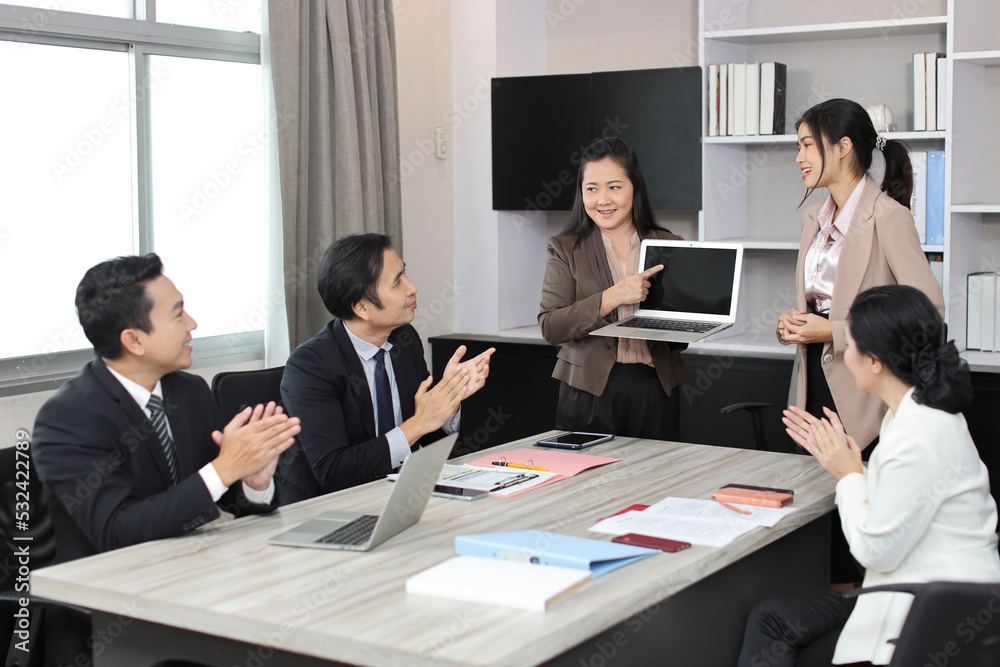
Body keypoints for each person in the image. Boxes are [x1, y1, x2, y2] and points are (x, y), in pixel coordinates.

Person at [31, 254, 300, 665]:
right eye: (178, 314)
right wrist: (225, 468)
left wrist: (253, 482)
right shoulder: (68, 418)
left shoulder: (188, 392)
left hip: (195, 587)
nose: (193, 324)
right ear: (134, 340)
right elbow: (116, 533)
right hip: (108, 623)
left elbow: (220, 501)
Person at [738, 285, 1000, 667]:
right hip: (931, 590)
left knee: (776, 626)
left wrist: (847, 474)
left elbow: (874, 548)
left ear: (875, 361)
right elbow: (900, 493)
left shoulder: (917, 435)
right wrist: (847, 461)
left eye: (851, 346)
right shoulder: (913, 411)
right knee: (774, 616)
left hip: (936, 605)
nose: (846, 356)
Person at [777, 98, 945, 452]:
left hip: (865, 396)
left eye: (807, 145)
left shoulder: (888, 217)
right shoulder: (812, 218)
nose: (799, 158)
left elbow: (929, 314)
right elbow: (818, 301)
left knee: (856, 501)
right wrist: (791, 323)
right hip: (810, 385)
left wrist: (833, 331)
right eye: (798, 147)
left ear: (843, 147)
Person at [277, 233, 494, 503]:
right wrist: (419, 423)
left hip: (397, 496)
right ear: (361, 307)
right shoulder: (310, 366)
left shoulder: (405, 339)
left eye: (405, 274)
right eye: (397, 282)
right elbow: (334, 472)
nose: (412, 287)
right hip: (326, 509)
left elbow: (430, 441)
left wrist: (448, 398)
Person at [538, 137, 689, 440]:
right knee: (591, 486)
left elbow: (678, 339)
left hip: (655, 388)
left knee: (655, 481)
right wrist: (611, 298)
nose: (602, 200)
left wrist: (697, 317)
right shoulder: (565, 248)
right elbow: (551, 326)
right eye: (591, 189)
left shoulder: (669, 244)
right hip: (589, 391)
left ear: (635, 188)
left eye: (614, 187)